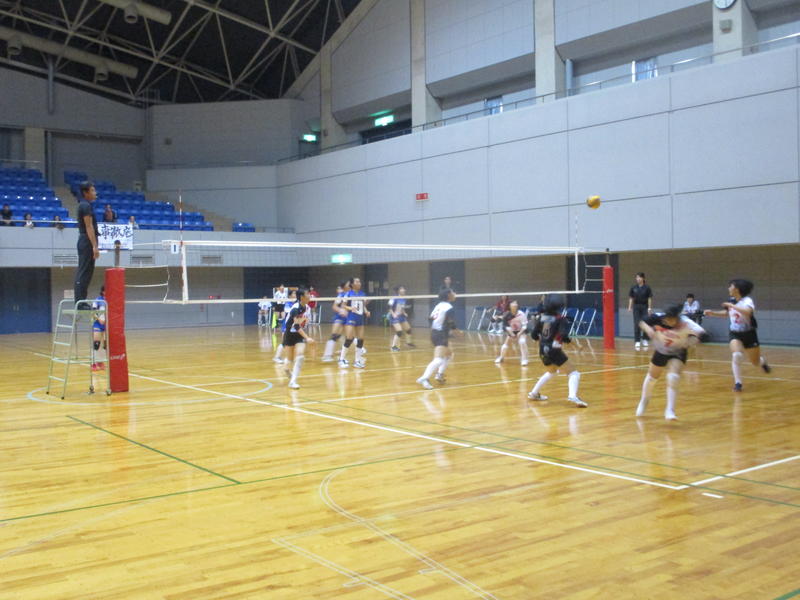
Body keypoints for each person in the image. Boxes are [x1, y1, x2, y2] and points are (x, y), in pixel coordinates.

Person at [635, 303, 708, 420]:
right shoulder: (659, 317)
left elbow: (704, 335)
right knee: (652, 378)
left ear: (677, 318)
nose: (667, 321)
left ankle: (670, 410)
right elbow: (641, 322)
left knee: (673, 377)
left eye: (670, 320)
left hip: (678, 352)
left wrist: (691, 342)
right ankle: (644, 401)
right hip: (661, 350)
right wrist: (648, 330)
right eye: (666, 319)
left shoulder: (686, 323)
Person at [704, 279, 771, 392]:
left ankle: (762, 362)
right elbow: (728, 313)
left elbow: (748, 312)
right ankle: (738, 383)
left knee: (755, 362)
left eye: (731, 286)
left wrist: (732, 306)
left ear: (737, 289)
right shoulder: (731, 301)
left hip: (749, 334)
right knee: (737, 355)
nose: (729, 288)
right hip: (735, 333)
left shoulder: (747, 300)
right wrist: (713, 313)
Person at [527, 298, 587, 407]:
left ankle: (534, 393)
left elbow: (533, 335)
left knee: (551, 371)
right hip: (554, 350)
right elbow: (563, 336)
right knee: (574, 373)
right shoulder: (560, 319)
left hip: (542, 350)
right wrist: (576, 346)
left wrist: (544, 342)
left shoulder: (542, 318)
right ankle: (573, 396)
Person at [417, 288, 461, 389]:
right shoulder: (449, 308)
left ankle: (439, 374)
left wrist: (436, 328)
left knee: (448, 354)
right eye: (453, 292)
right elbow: (451, 323)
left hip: (435, 333)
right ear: (449, 295)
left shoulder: (438, 305)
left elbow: (430, 318)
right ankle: (424, 378)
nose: (455, 294)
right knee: (438, 360)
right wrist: (458, 332)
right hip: (440, 334)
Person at [282, 288, 314, 389]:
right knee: (290, 360)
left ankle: (293, 381)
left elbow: (304, 323)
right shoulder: (295, 309)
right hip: (289, 334)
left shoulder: (307, 308)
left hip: (299, 335)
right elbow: (296, 326)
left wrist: (305, 322)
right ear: (302, 297)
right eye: (307, 294)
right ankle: (287, 370)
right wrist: (307, 338)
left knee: (300, 356)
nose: (310, 296)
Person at [74, 181, 100, 303]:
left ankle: (81, 301)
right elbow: (89, 227)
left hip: (85, 240)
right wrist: (95, 246)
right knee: (84, 272)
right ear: (85, 192)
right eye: (92, 190)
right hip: (86, 241)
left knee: (87, 272)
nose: (95, 193)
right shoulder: (85, 206)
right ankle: (80, 302)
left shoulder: (85, 205)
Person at [339, 277, 370, 368]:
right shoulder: (348, 294)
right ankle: (341, 359)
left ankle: (357, 360)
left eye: (359, 281)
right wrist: (350, 308)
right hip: (351, 317)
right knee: (349, 338)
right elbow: (343, 305)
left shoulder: (362, 294)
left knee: (361, 339)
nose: (359, 283)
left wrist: (366, 311)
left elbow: (362, 305)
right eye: (357, 281)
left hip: (360, 318)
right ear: (352, 284)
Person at [322, 281, 350, 362]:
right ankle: (327, 355)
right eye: (348, 284)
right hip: (340, 317)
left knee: (349, 336)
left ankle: (345, 353)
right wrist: (341, 310)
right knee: (335, 335)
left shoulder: (353, 295)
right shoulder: (341, 295)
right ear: (344, 287)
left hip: (349, 317)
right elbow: (334, 307)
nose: (350, 285)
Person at [494, 300, 529, 366]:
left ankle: (524, 359)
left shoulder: (521, 314)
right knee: (505, 345)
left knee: (522, 341)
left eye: (516, 304)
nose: (515, 305)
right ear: (510, 306)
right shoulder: (507, 315)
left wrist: (519, 333)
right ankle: (501, 357)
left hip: (521, 330)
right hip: (512, 331)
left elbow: (524, 326)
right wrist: (512, 334)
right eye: (513, 304)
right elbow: (507, 327)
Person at [627, 272, 653, 350]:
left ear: (643, 278)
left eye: (639, 277)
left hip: (644, 306)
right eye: (637, 277)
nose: (637, 279)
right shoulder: (633, 287)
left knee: (645, 323)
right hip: (636, 307)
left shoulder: (647, 288)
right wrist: (629, 307)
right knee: (637, 323)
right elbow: (631, 298)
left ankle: (645, 339)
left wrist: (649, 308)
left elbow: (649, 298)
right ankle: (637, 341)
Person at [272, 289, 297, 365]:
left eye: (295, 293)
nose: (295, 295)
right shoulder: (288, 303)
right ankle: (277, 357)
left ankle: (290, 357)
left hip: (293, 325)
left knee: (293, 342)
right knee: (285, 342)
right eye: (294, 293)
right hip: (287, 325)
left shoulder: (296, 303)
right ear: (290, 295)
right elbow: (291, 313)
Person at [389, 286, 416, 351]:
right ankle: (393, 346)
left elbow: (402, 307)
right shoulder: (394, 298)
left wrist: (404, 313)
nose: (404, 290)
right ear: (398, 291)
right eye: (402, 289)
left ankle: (408, 343)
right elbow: (389, 307)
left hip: (401, 316)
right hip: (395, 317)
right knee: (399, 331)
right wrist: (393, 314)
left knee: (408, 329)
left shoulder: (404, 298)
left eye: (404, 289)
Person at [91, 287, 107, 372]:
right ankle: (93, 363)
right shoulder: (97, 300)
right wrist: (99, 319)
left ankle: (100, 362)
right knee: (96, 344)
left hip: (106, 324)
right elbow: (93, 312)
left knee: (105, 345)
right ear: (103, 291)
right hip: (97, 323)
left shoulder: (110, 300)